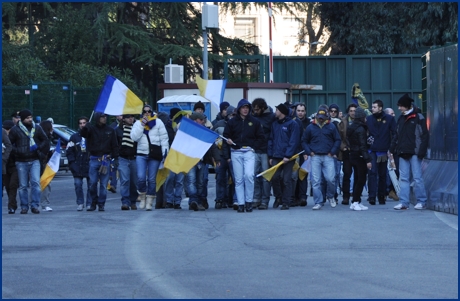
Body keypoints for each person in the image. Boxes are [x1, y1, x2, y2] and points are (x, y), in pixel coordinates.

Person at [222, 99, 264, 213]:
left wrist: (253, 147)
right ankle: (241, 203)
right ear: (239, 108)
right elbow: (225, 136)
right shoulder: (232, 122)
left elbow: (261, 137)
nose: (245, 110)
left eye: (247, 107)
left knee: (249, 176)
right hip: (236, 152)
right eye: (243, 107)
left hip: (249, 152)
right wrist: (229, 141)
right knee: (238, 179)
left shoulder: (254, 122)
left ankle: (249, 202)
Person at [390, 94, 429, 210]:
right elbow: (396, 135)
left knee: (416, 177)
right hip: (403, 151)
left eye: (401, 106)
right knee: (405, 178)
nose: (399, 108)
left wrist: (421, 152)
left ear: (407, 106)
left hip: (414, 152)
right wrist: (392, 149)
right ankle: (404, 202)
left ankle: (421, 201)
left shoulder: (419, 117)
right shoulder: (401, 118)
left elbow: (425, 136)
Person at [8, 109, 49, 214]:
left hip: (34, 159)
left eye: (31, 117)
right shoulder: (15, 130)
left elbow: (45, 139)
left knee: (35, 182)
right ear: (22, 119)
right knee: (23, 185)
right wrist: (17, 151)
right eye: (27, 118)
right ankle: (24, 207)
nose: (30, 119)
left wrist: (39, 149)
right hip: (20, 161)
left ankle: (35, 205)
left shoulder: (37, 128)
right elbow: (9, 144)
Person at [130, 104, 169, 211]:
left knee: (152, 179)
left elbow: (164, 139)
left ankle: (150, 201)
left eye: (149, 111)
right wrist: (142, 125)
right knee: (141, 177)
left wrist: (165, 154)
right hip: (141, 154)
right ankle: (142, 197)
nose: (147, 113)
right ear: (142, 113)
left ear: (152, 112)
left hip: (154, 154)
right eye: (144, 112)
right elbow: (134, 137)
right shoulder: (137, 124)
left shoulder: (158, 122)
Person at [301, 107, 341, 210]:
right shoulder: (310, 127)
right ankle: (318, 202)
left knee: (331, 179)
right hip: (316, 156)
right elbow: (304, 141)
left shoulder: (331, 126)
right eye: (320, 117)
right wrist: (309, 152)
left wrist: (333, 152)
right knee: (316, 181)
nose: (321, 119)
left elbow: (337, 140)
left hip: (328, 155)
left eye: (323, 117)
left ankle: (330, 196)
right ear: (317, 116)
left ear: (326, 117)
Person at [80, 112, 119, 212]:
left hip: (105, 159)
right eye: (102, 117)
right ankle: (94, 201)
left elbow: (115, 145)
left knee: (103, 184)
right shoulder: (91, 129)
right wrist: (85, 127)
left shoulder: (110, 130)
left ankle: (101, 204)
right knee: (92, 183)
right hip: (93, 159)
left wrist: (115, 158)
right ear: (97, 118)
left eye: (105, 116)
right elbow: (83, 135)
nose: (104, 118)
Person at [267, 103, 300, 210]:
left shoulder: (293, 124)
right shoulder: (275, 124)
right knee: (275, 178)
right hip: (276, 156)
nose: (275, 112)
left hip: (288, 157)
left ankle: (286, 201)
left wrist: (288, 155)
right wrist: (271, 156)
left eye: (276, 110)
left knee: (286, 179)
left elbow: (293, 141)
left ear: (281, 112)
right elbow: (271, 140)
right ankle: (278, 197)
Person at [185, 112, 220, 211]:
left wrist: (217, 159)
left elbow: (212, 146)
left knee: (201, 182)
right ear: (195, 120)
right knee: (191, 181)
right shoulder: (187, 131)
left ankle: (199, 201)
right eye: (201, 120)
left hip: (202, 160)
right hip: (190, 160)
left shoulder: (206, 131)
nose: (203, 121)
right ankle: (193, 200)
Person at [366, 99, 397, 205]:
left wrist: (391, 147)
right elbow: (365, 132)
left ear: (380, 108)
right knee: (372, 172)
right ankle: (372, 196)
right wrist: (367, 141)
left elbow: (394, 133)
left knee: (383, 174)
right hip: (372, 149)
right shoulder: (369, 119)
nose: (372, 109)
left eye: (374, 107)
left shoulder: (389, 119)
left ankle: (381, 196)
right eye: (372, 107)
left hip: (383, 149)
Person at [251, 98, 275, 210]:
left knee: (266, 177)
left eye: (257, 109)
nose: (255, 111)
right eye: (254, 109)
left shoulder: (271, 117)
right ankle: (256, 199)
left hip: (265, 151)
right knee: (255, 175)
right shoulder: (253, 117)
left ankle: (265, 200)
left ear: (263, 108)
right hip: (255, 150)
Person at [347, 107, 371, 211]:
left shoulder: (352, 127)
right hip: (360, 156)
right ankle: (356, 201)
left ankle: (356, 201)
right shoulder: (361, 129)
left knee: (357, 178)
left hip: (353, 154)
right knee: (361, 179)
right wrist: (368, 160)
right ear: (362, 117)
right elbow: (362, 146)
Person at [212, 105, 236, 209]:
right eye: (231, 114)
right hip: (221, 155)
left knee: (236, 179)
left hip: (234, 155)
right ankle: (220, 200)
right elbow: (213, 139)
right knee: (220, 178)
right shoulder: (219, 125)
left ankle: (232, 200)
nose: (232, 116)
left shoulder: (238, 124)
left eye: (234, 115)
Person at [66, 116, 92, 211]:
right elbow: (69, 151)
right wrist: (72, 163)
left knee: (91, 185)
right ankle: (80, 202)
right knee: (77, 184)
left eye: (84, 123)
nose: (82, 125)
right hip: (78, 165)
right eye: (80, 123)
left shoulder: (92, 136)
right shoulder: (74, 137)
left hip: (89, 164)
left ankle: (89, 203)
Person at [115, 114, 139, 210]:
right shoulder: (118, 130)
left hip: (134, 158)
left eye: (132, 117)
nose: (130, 118)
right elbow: (115, 144)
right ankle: (125, 202)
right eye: (128, 117)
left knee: (134, 182)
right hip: (123, 158)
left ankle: (133, 201)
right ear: (124, 119)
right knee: (124, 181)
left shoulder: (137, 129)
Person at [163, 110, 184, 210]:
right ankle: (169, 200)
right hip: (170, 155)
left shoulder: (182, 127)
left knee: (179, 180)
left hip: (180, 154)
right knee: (170, 178)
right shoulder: (166, 127)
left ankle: (177, 201)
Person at [337, 103, 358, 205]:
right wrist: (343, 147)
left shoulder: (361, 122)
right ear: (348, 112)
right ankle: (345, 197)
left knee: (358, 176)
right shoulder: (343, 122)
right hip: (347, 152)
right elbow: (339, 137)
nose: (353, 113)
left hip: (358, 152)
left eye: (355, 111)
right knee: (347, 175)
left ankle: (356, 197)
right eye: (351, 111)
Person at [2, 120, 18, 214]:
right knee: (8, 186)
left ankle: (11, 206)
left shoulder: (16, 138)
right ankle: (12, 204)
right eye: (5, 129)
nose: (6, 131)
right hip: (5, 165)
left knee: (13, 185)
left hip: (16, 164)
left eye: (8, 129)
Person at [39, 120, 55, 212]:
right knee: (44, 183)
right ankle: (43, 204)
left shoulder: (48, 138)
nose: (52, 129)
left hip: (45, 163)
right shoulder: (43, 139)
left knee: (44, 183)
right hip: (41, 163)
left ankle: (41, 203)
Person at [108, 115, 123, 193]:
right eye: (119, 115)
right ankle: (113, 185)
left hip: (125, 151)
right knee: (114, 168)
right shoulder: (113, 126)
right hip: (116, 151)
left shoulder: (129, 126)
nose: (120, 117)